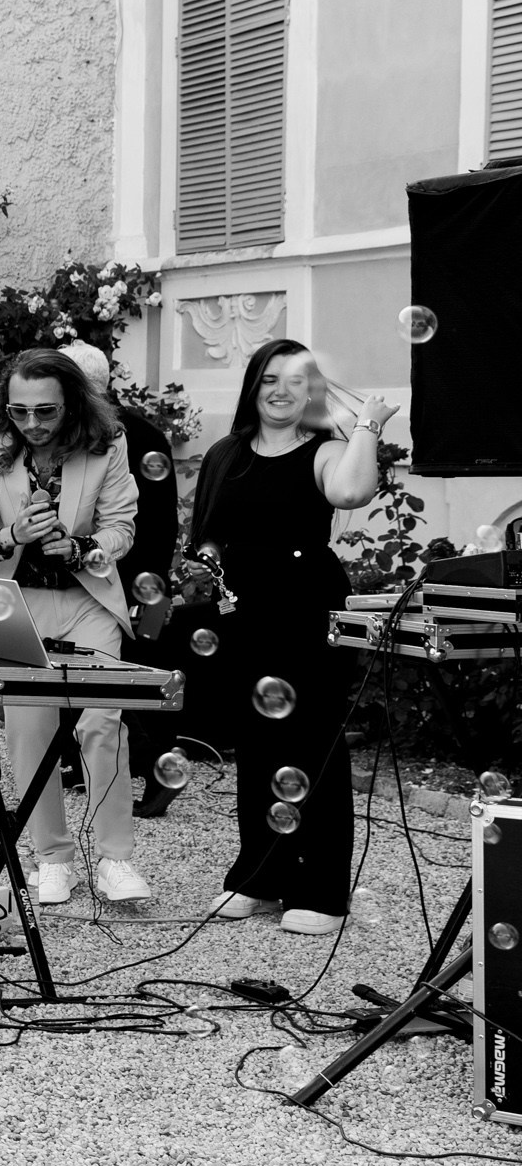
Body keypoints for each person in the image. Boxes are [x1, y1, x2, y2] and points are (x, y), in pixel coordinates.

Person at [189, 339, 393, 936]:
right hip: (243, 611)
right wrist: (201, 568)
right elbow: (209, 534)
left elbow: (351, 493)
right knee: (257, 743)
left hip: (307, 609)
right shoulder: (226, 452)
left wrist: (370, 426)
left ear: (312, 392)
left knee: (313, 745)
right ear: (253, 386)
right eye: (268, 378)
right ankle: (260, 876)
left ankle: (323, 891)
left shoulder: (327, 451)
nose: (280, 390)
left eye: (295, 381)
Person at [0, 347, 145, 906]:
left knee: (102, 724)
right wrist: (10, 536)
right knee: (29, 730)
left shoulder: (107, 445)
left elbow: (121, 529)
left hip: (86, 600)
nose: (31, 424)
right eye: (19, 411)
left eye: (46, 412)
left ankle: (114, 859)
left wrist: (80, 547)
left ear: (73, 404)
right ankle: (52, 857)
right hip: (12, 601)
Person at [58, 341, 187, 817]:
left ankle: (159, 775)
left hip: (126, 576)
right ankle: (80, 762)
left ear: (95, 385)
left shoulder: (137, 435)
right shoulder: (76, 432)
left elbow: (155, 522)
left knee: (127, 681)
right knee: (83, 673)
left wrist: (141, 587)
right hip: (89, 574)